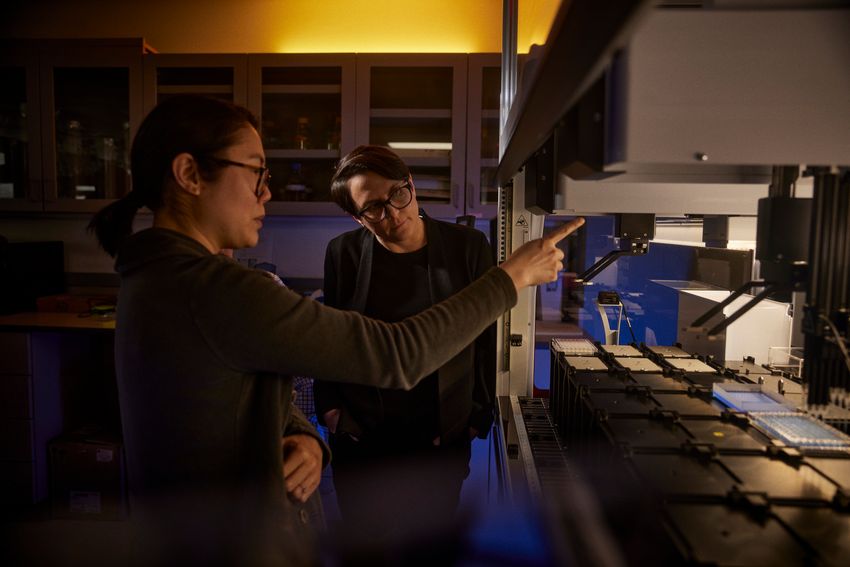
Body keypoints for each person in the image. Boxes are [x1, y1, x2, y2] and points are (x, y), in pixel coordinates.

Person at [87, 94, 584, 565]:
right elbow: (397, 354)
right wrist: (513, 275)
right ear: (190, 174)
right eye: (256, 171)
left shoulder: (153, 276)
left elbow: (235, 402)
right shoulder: (218, 288)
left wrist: (305, 437)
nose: (267, 191)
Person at [314, 145, 496, 546]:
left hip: (438, 437)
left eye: (398, 194)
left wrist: (477, 415)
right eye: (374, 208)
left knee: (430, 549)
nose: (394, 214)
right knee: (363, 548)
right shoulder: (342, 253)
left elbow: (485, 338)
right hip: (362, 436)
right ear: (357, 218)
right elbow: (331, 337)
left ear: (410, 184)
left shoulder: (468, 248)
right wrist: (331, 409)